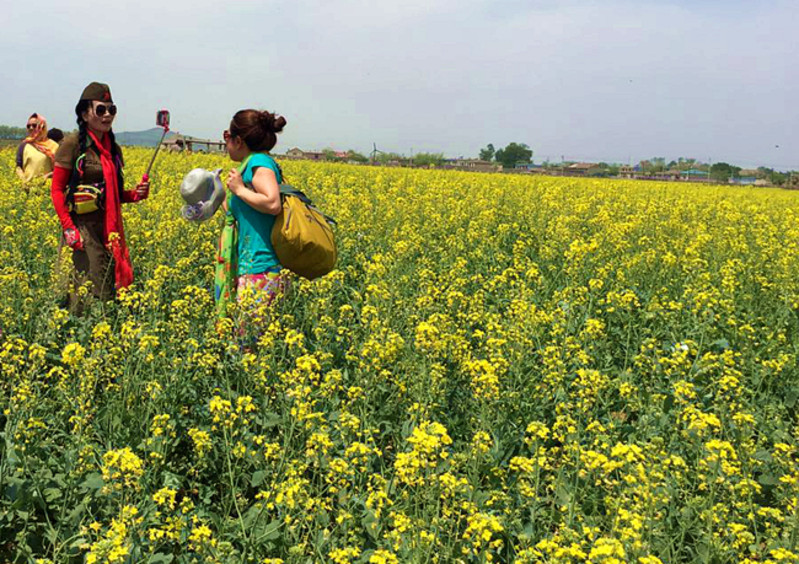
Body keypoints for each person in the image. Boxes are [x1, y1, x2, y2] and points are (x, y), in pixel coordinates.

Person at [50, 82, 150, 309]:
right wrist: (68, 228)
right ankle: (80, 334)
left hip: (109, 226)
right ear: (85, 114)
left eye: (111, 109)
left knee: (108, 284)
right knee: (87, 286)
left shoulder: (113, 148)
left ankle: (101, 333)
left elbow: (114, 194)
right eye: (101, 110)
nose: (107, 115)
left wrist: (136, 195)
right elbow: (56, 190)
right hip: (83, 227)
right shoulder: (72, 144)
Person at [216, 109, 287, 316]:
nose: (225, 143)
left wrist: (239, 189)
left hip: (262, 268)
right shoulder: (249, 166)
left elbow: (272, 203)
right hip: (253, 267)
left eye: (227, 137)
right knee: (247, 341)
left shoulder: (259, 163)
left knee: (247, 344)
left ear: (239, 141)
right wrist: (218, 193)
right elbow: (245, 212)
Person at [15, 113, 59, 185]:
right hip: (27, 187)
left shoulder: (53, 146)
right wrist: (23, 179)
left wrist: (47, 176)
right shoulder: (24, 145)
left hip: (46, 188)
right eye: (28, 126)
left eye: (34, 125)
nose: (31, 128)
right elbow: (18, 166)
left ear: (42, 127)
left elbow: (59, 169)